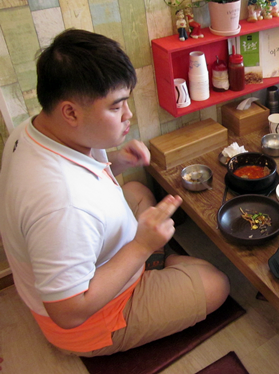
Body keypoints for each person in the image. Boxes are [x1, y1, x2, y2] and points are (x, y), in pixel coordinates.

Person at [0, 29, 230, 356]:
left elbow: (81, 180)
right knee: (216, 283)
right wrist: (141, 246)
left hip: (102, 255)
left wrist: (116, 163)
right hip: (94, 319)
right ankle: (155, 264)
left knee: (136, 188)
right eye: (116, 106)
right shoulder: (61, 205)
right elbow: (68, 312)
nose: (128, 115)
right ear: (70, 112)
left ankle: (156, 262)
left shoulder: (33, 129)